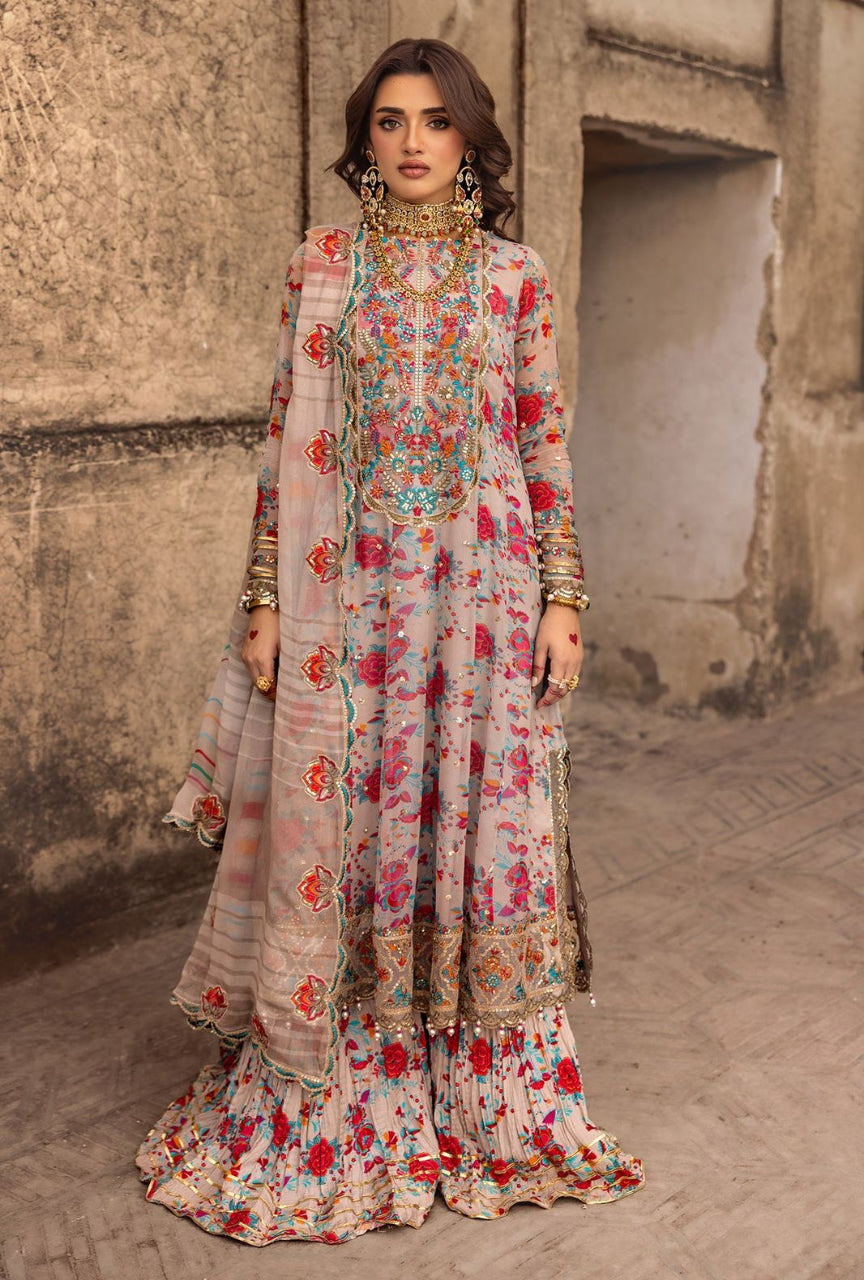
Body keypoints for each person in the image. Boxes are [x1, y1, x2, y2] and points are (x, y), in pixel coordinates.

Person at [136, 36, 645, 1245]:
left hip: (482, 604)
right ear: (365, 139)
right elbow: (284, 443)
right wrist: (268, 601)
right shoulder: (322, 266)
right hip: (351, 612)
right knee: (355, 834)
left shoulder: (515, 277)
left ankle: (480, 1098)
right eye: (390, 121)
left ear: (470, 138)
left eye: (436, 120)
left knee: (477, 832)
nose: (414, 142)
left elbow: (542, 440)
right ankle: (347, 1100)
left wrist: (563, 599)